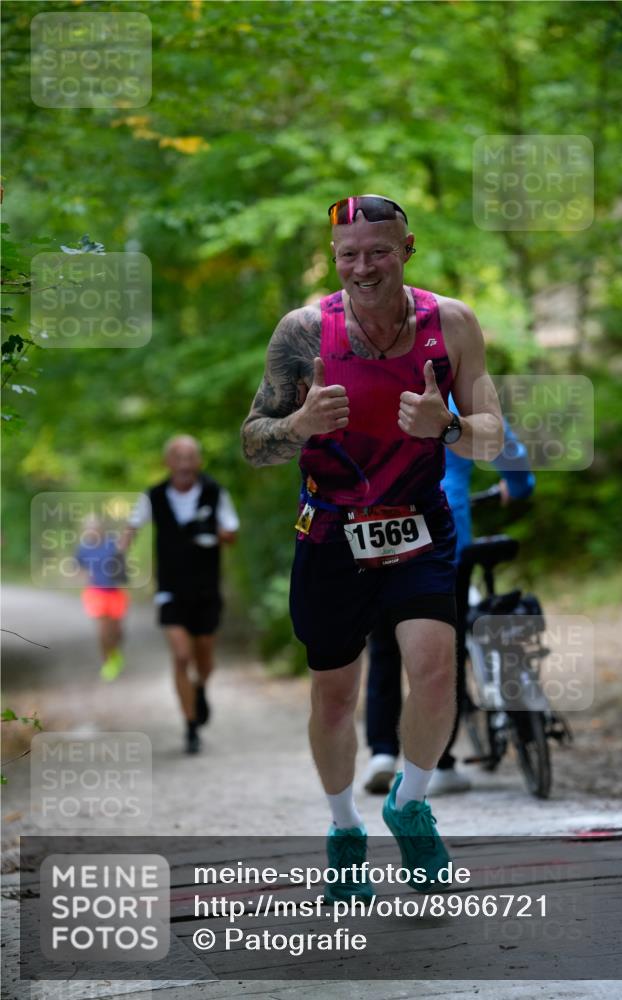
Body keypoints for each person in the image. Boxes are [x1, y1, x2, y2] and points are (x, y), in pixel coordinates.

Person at [241, 194, 503, 902]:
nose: (363, 266)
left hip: (417, 522)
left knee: (435, 669)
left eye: (378, 251)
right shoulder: (302, 332)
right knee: (334, 696)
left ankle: (411, 805)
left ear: (407, 248)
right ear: (335, 258)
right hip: (329, 531)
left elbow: (492, 436)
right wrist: (297, 424)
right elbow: (252, 445)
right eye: (349, 254)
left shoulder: (450, 323)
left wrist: (444, 425)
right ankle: (342, 828)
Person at [363, 409, 535, 795]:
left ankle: (382, 753)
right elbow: (505, 446)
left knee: (385, 644)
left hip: (377, 531)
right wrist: (520, 486)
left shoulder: (371, 386)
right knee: (444, 650)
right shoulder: (456, 396)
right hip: (445, 533)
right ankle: (438, 762)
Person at [119, 435, 239, 754]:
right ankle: (190, 727)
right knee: (181, 655)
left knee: (204, 657)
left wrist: (213, 532)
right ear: (167, 462)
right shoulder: (153, 496)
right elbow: (130, 528)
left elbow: (231, 533)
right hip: (170, 589)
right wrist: (119, 553)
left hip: (206, 589)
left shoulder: (215, 492)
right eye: (178, 457)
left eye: (190, 457)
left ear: (198, 462)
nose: (185, 463)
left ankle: (200, 688)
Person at [76, 513, 129, 682]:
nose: (92, 530)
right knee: (102, 630)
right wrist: (85, 576)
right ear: (85, 530)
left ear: (101, 528)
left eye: (95, 526)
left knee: (117, 632)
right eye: (89, 527)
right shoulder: (83, 549)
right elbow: (78, 567)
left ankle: (115, 653)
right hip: (95, 593)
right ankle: (108, 661)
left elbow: (122, 563)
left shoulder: (112, 544)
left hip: (115, 592)